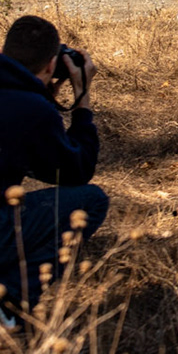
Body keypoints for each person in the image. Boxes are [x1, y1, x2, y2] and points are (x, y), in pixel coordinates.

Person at [0, 16, 108, 312]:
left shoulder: (27, 102)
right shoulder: (32, 109)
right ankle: (9, 303)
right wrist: (82, 101)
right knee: (92, 201)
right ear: (51, 66)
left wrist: (41, 98)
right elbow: (76, 172)